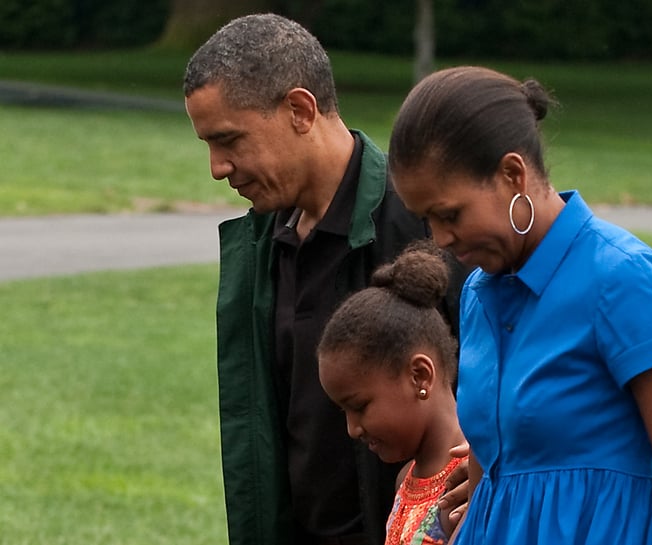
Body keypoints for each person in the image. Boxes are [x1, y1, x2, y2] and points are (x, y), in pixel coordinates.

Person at [387, 65, 652, 545]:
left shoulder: (627, 282)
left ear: (512, 174)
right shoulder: (478, 294)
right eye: (425, 219)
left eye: (449, 214)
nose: (438, 238)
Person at [183, 14, 466, 545]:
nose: (218, 167)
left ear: (299, 110)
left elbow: (497, 392)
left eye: (228, 140)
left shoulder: (423, 226)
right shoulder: (262, 245)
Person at [318, 241, 469, 545]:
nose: (352, 429)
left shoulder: (469, 483)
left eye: (359, 406)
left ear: (419, 375)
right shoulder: (405, 480)